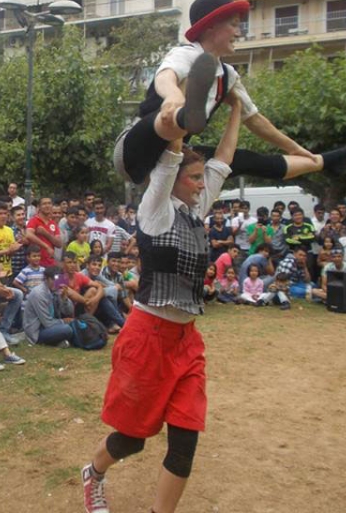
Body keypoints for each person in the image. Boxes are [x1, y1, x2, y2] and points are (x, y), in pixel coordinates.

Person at [83, 94, 241, 513]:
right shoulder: (155, 210)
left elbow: (223, 161)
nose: (201, 184)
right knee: (133, 439)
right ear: (172, 180)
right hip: (147, 337)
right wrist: (182, 109)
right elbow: (170, 157)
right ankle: (94, 472)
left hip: (187, 341)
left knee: (185, 441)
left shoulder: (195, 209)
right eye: (194, 178)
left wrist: (239, 107)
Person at [112, 0, 346, 189]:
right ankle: (182, 115)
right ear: (210, 26)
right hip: (136, 151)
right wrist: (173, 97)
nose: (239, 31)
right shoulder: (187, 54)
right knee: (168, 116)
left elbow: (256, 121)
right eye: (233, 25)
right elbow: (166, 76)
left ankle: (327, 162)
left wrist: (296, 148)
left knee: (247, 159)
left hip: (172, 160)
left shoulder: (229, 77)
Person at [22, 266, 75, 347]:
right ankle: (59, 340)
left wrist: (65, 299)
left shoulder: (57, 289)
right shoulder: (39, 293)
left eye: (58, 280)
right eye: (53, 280)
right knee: (67, 329)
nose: (55, 282)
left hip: (53, 325)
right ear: (46, 279)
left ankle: (59, 341)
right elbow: (47, 323)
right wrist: (64, 321)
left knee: (76, 323)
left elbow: (69, 312)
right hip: (38, 331)